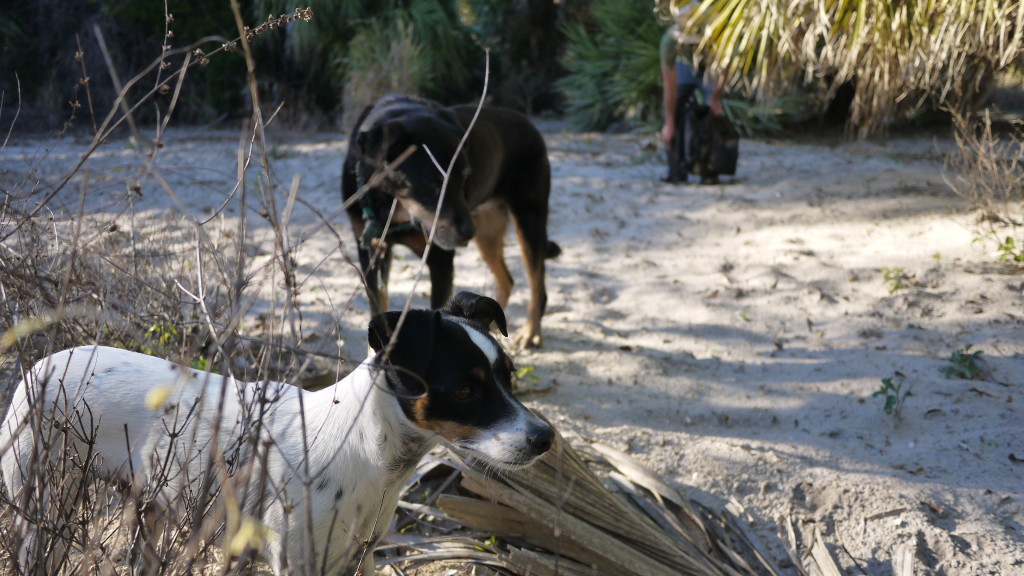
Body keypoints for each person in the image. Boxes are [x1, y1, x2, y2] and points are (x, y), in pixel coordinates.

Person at [660, 4, 725, 184]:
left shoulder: (716, 34)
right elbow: (669, 85)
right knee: (673, 113)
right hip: (684, 67)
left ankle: (709, 170)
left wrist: (716, 98)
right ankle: (675, 171)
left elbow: (725, 67)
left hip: (710, 69)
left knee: (713, 115)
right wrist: (670, 122)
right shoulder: (669, 41)